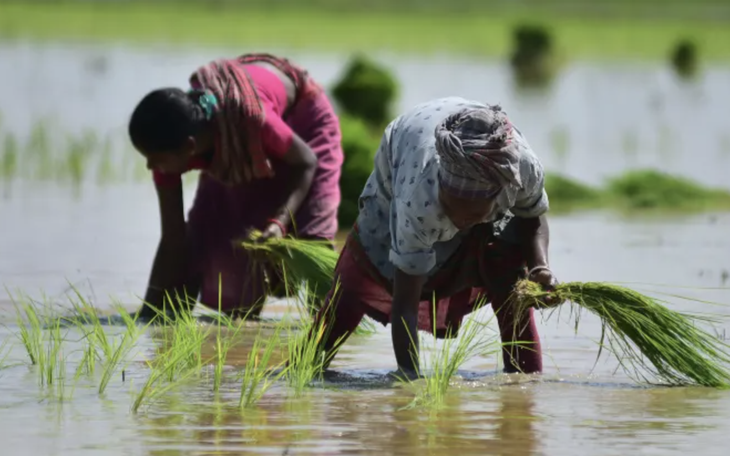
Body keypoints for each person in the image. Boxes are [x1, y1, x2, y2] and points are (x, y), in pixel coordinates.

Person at [310, 97, 558, 377]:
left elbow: (532, 217)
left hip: (479, 153)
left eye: (472, 214)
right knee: (362, 273)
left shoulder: (522, 170)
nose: (460, 220)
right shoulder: (418, 197)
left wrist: (540, 268)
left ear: (497, 196)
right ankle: (306, 365)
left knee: (510, 277)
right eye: (452, 207)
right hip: (403, 156)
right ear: (442, 189)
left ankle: (525, 380)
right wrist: (409, 376)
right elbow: (404, 305)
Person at [127, 53, 343, 320]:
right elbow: (173, 238)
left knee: (312, 238)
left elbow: (307, 162)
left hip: (303, 122)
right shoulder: (174, 144)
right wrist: (148, 313)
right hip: (238, 135)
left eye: (156, 159)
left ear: (190, 148)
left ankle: (331, 330)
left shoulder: (253, 120)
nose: (150, 167)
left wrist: (279, 221)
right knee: (214, 237)